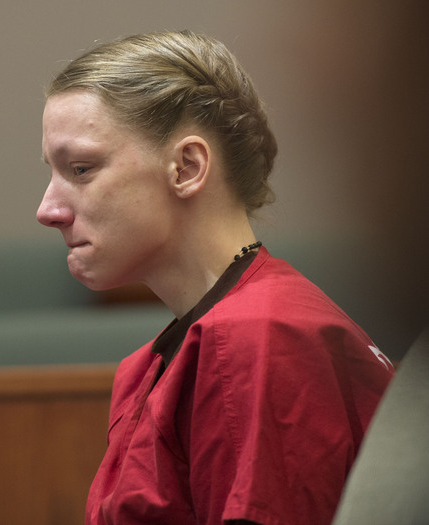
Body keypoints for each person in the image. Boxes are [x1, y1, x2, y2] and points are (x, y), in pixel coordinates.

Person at [36, 30, 394, 525]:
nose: (47, 209)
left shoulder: (262, 340)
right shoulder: (160, 362)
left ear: (186, 167)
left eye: (80, 168)